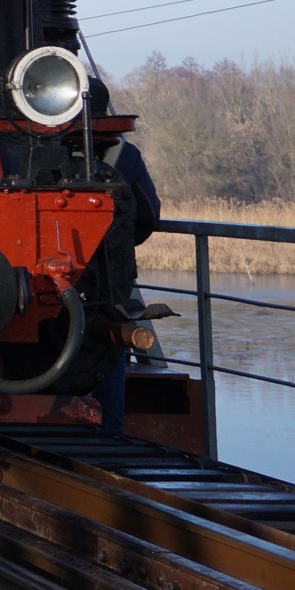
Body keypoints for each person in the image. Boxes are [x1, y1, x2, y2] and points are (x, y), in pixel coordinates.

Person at [90, 78, 162, 435]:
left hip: (55, 273)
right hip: (113, 274)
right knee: (112, 342)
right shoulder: (126, 155)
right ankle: (108, 433)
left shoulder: (36, 144)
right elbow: (149, 214)